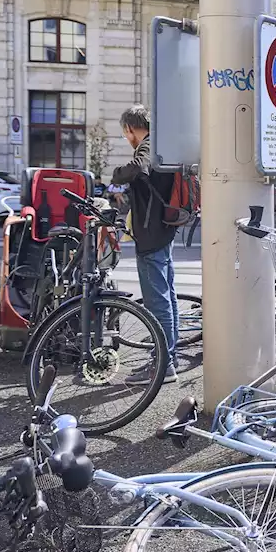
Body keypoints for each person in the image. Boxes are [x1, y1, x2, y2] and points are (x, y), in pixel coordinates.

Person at [112, 105, 180, 384]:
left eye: (126, 133)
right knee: (168, 296)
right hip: (163, 230)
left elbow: (137, 168)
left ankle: (163, 366)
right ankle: (167, 359)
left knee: (158, 302)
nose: (127, 138)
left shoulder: (148, 146)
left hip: (152, 233)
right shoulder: (163, 144)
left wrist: (117, 175)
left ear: (130, 128)